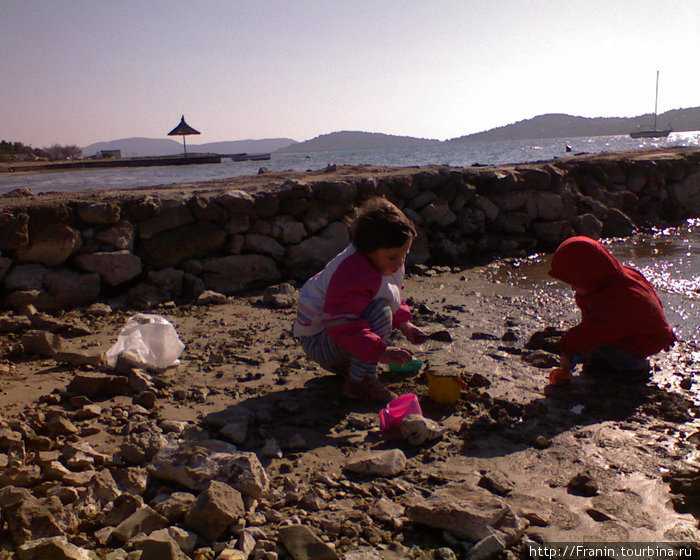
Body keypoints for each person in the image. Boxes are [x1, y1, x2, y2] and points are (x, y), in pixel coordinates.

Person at [293, 197, 426, 403]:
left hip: (337, 338)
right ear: (368, 249)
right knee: (379, 312)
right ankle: (360, 382)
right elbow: (341, 323)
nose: (399, 263)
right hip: (320, 340)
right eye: (393, 257)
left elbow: (392, 294)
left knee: (381, 308)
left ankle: (354, 368)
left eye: (404, 255)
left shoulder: (384, 262)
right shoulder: (354, 271)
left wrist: (405, 324)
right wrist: (380, 351)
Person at [547, 236, 676, 386]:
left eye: (574, 282)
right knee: (592, 348)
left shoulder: (616, 300)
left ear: (588, 274)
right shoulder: (607, 280)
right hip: (640, 329)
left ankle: (635, 368)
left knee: (602, 352)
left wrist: (568, 346)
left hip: (645, 340)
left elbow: (595, 330)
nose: (572, 288)